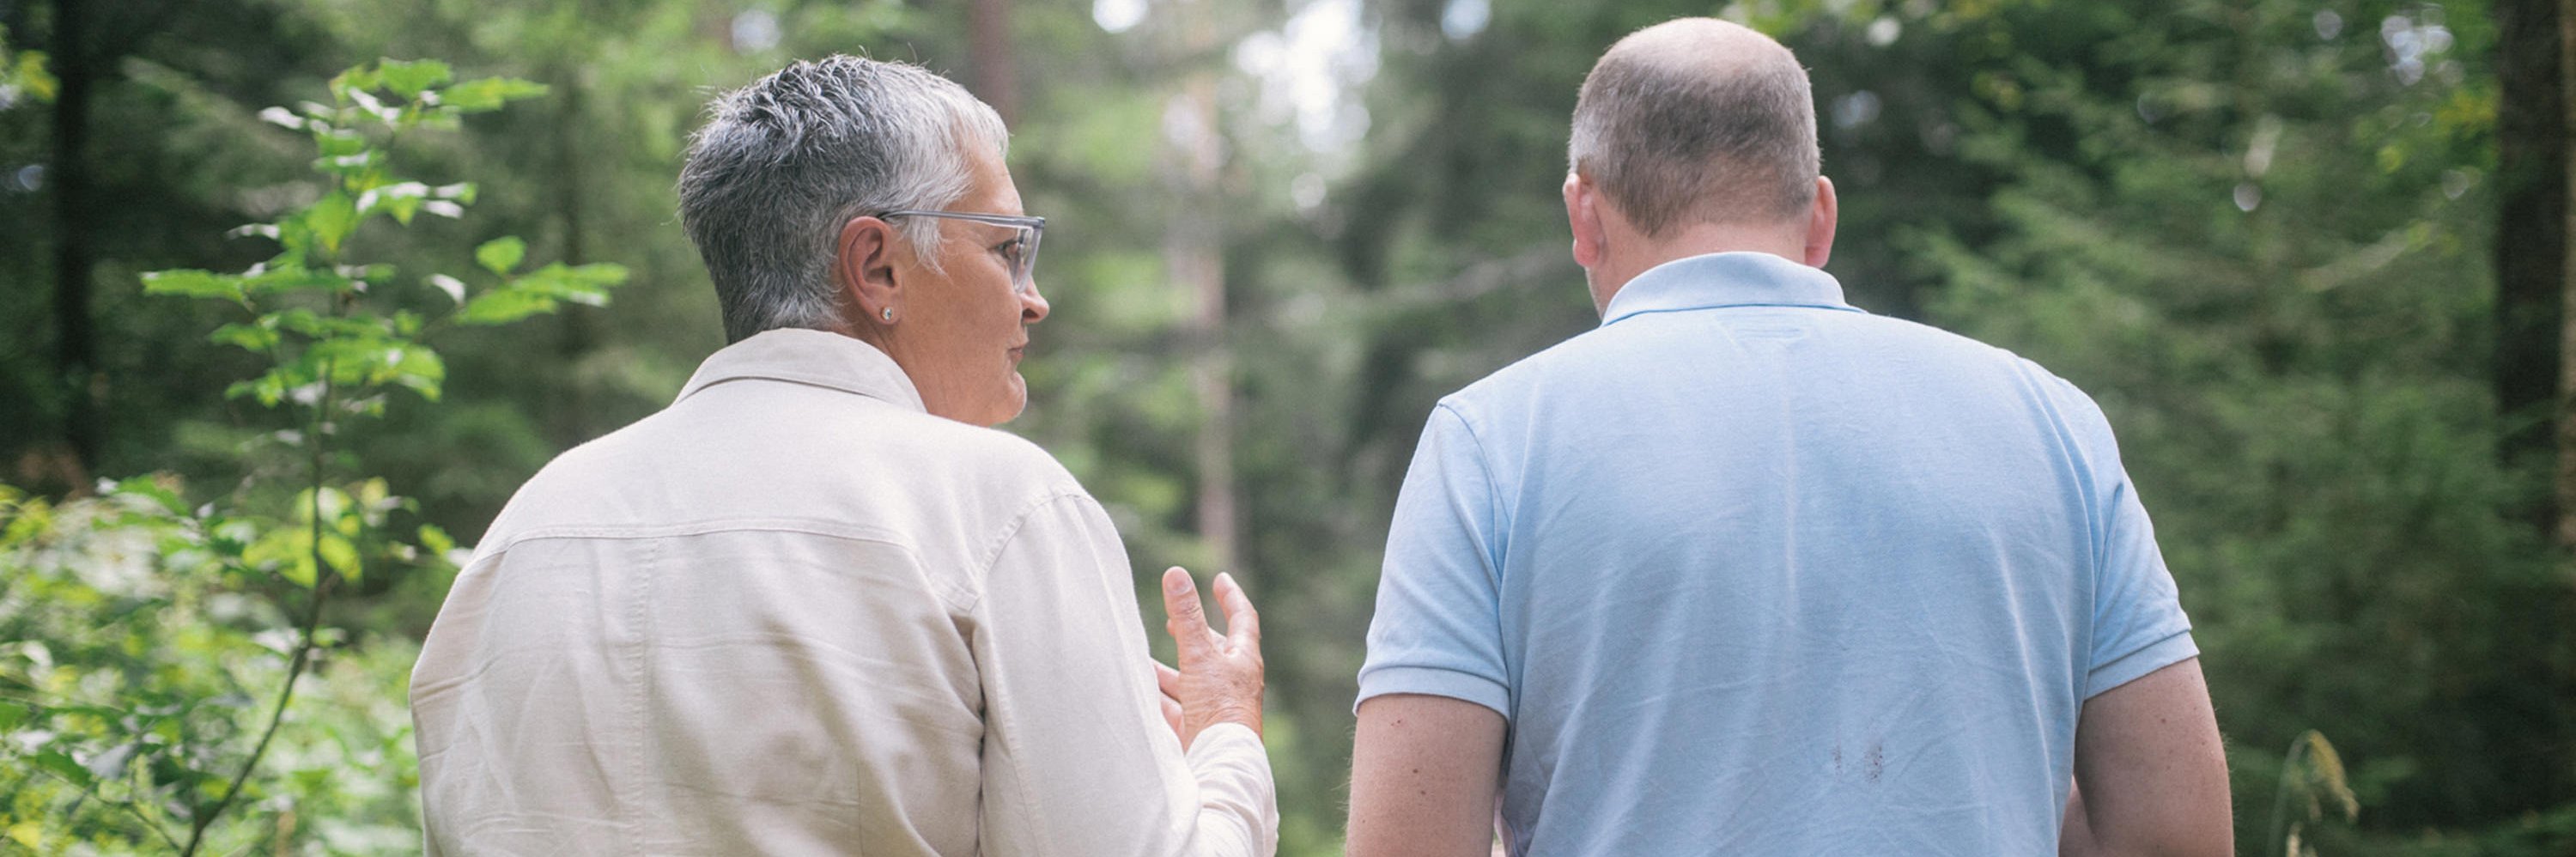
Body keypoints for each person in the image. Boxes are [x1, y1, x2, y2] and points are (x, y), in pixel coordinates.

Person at [1344, 18, 2230, 857]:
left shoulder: (1490, 443)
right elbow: (2176, 832)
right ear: (1819, 217)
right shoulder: (2050, 422)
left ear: (1585, 213)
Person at [410, 56, 1276, 856]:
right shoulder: (997, 505)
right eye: (1007, 250)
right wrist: (1227, 740)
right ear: (878, 267)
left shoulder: (528, 522)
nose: (1035, 299)